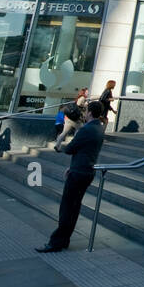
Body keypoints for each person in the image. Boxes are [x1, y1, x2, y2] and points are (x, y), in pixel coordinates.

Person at [36, 100, 106, 253]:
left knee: (67, 208)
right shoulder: (99, 128)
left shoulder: (87, 130)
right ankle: (64, 240)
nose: (84, 113)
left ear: (89, 112)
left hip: (79, 172)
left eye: (86, 110)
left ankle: (56, 242)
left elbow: (71, 149)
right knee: (73, 207)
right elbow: (86, 150)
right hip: (86, 170)